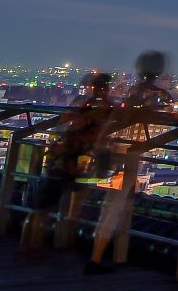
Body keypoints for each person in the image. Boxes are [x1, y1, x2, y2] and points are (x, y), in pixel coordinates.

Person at [87, 51, 174, 271]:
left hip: (113, 150)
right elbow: (170, 115)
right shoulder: (154, 94)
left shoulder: (129, 89)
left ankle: (98, 253)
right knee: (114, 208)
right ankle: (96, 259)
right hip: (128, 156)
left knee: (110, 206)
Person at [19, 71, 112, 261]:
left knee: (40, 207)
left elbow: (62, 123)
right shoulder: (99, 107)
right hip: (72, 160)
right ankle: (50, 244)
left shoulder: (79, 102)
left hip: (58, 156)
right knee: (57, 205)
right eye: (104, 87)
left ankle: (27, 246)